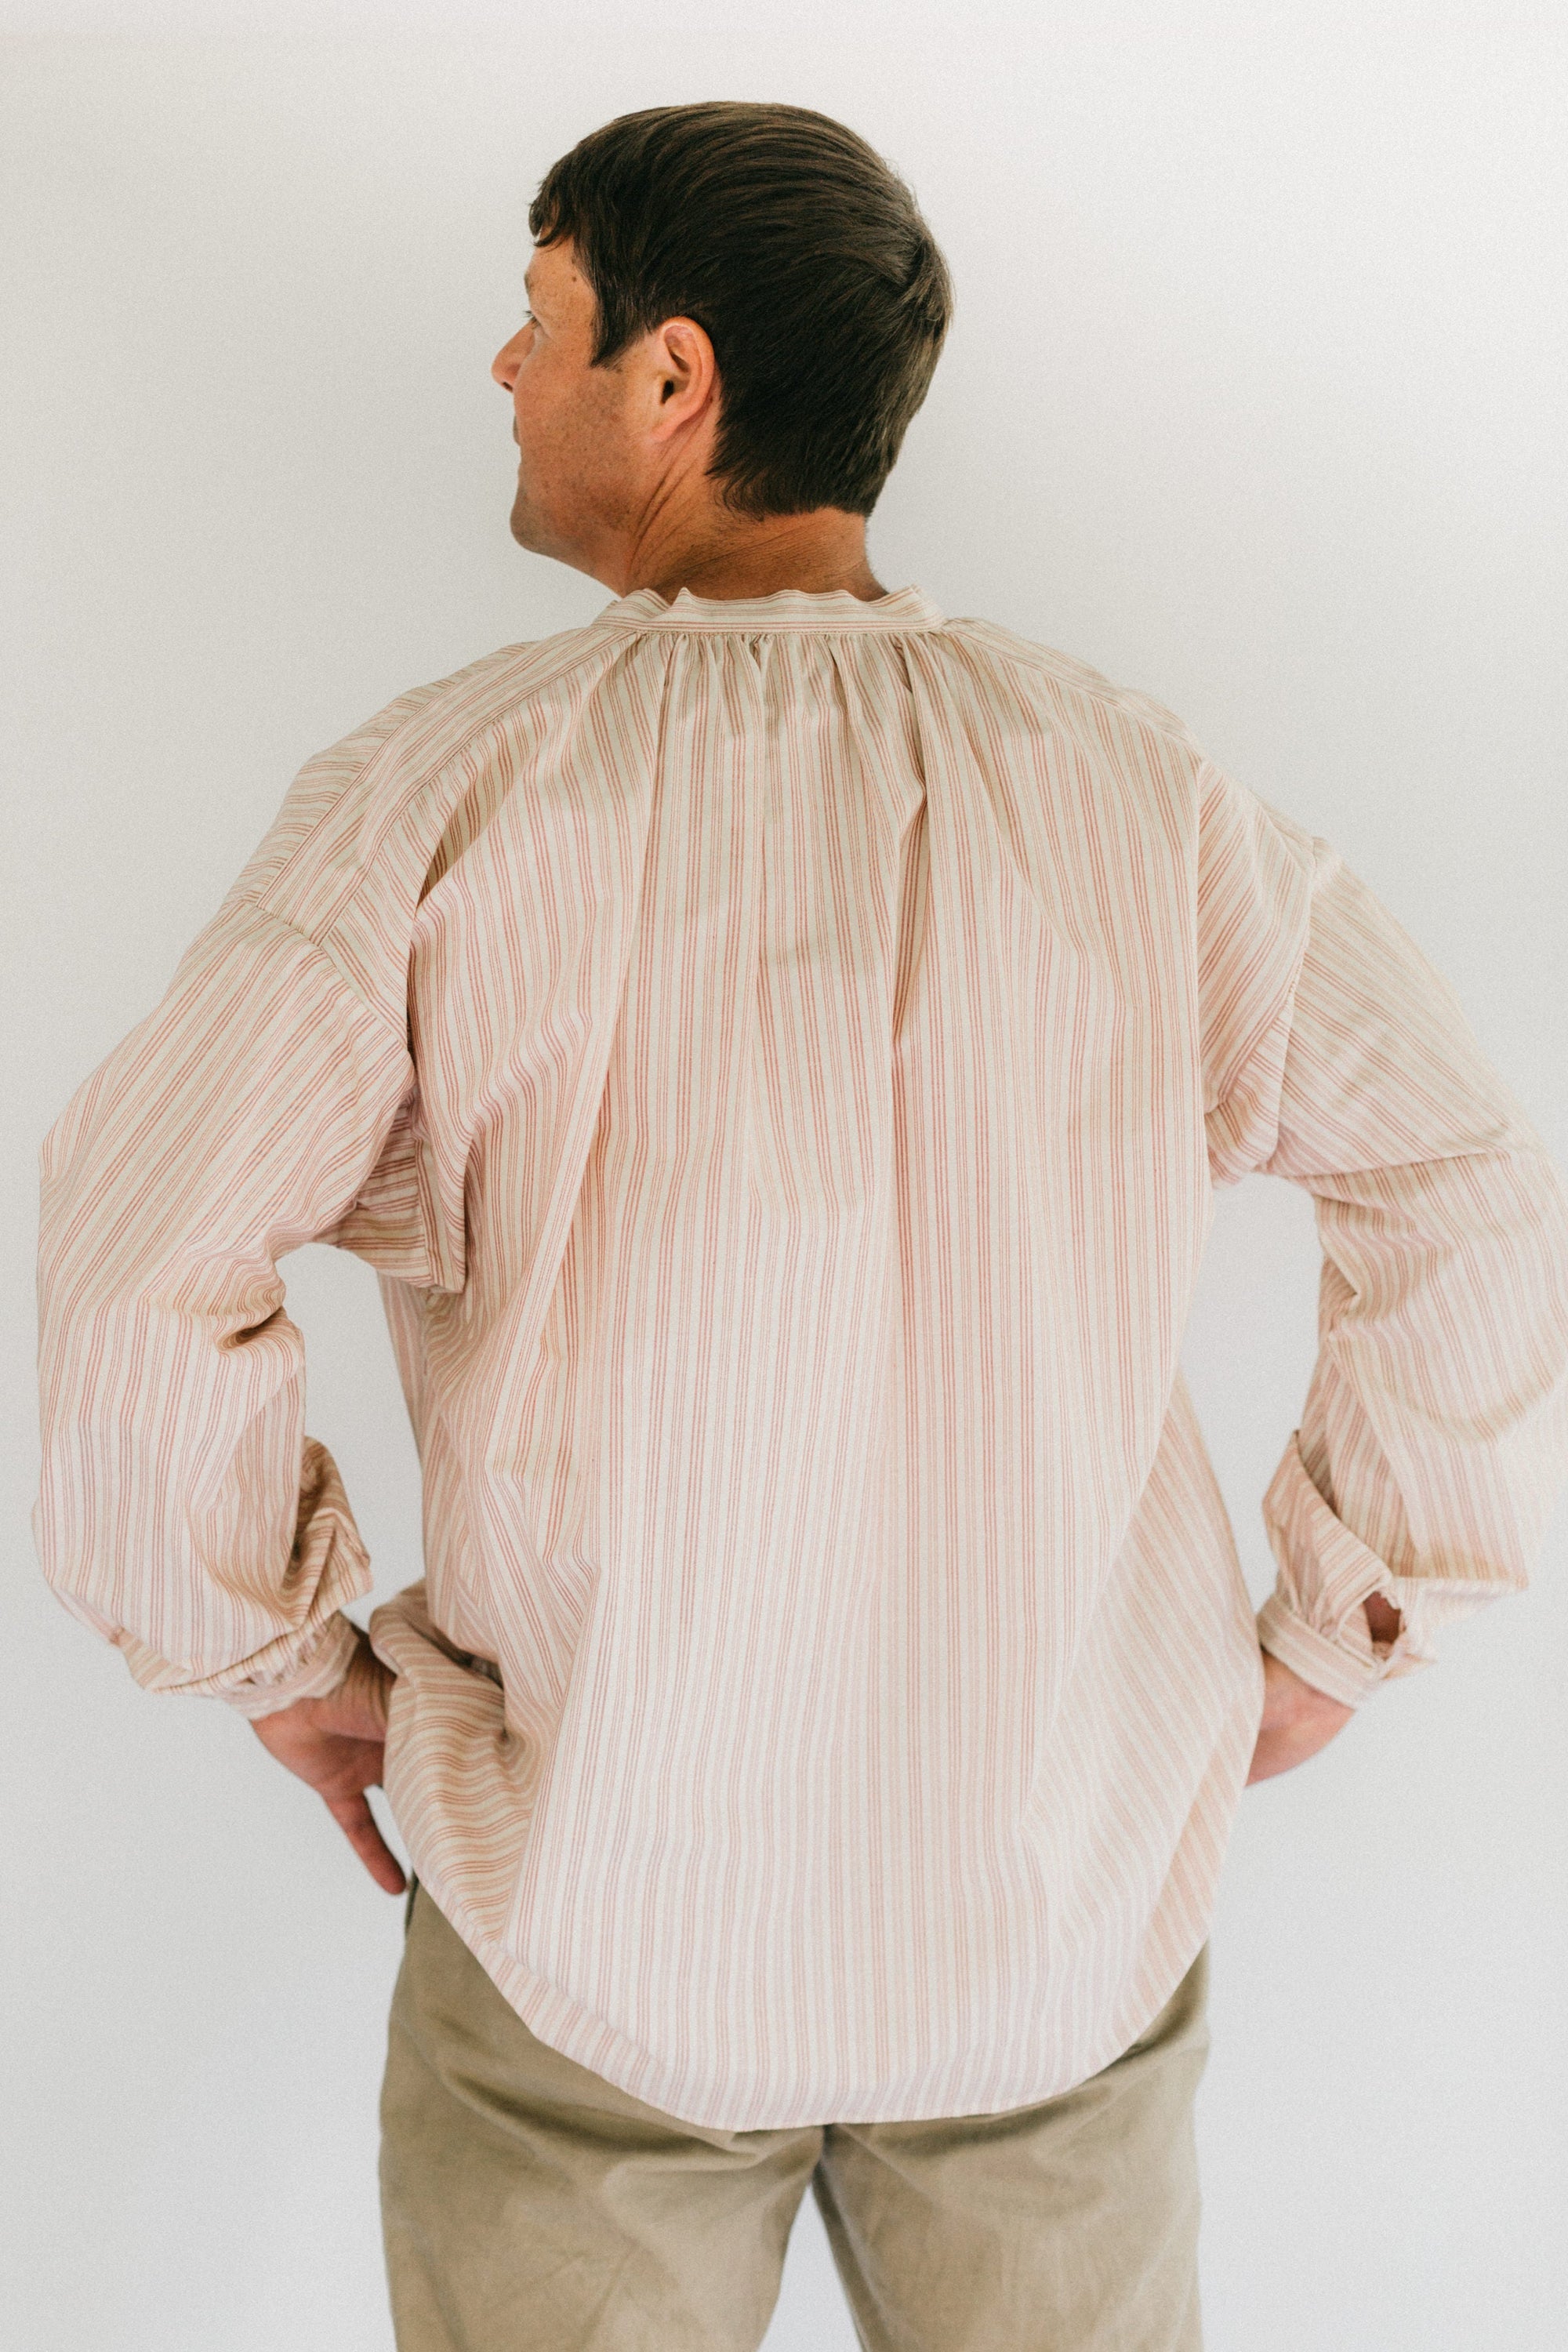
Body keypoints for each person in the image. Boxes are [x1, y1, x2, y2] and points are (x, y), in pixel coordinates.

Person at [32, 100, 1568, 2352]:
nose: (498, 370)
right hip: (1056, 1916)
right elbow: (1460, 1180)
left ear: (674, 378)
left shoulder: (443, 795)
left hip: (590, 1926)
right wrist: (1348, 1624)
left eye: (537, 320)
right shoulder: (1140, 791)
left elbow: (134, 1249)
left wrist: (278, 1660)